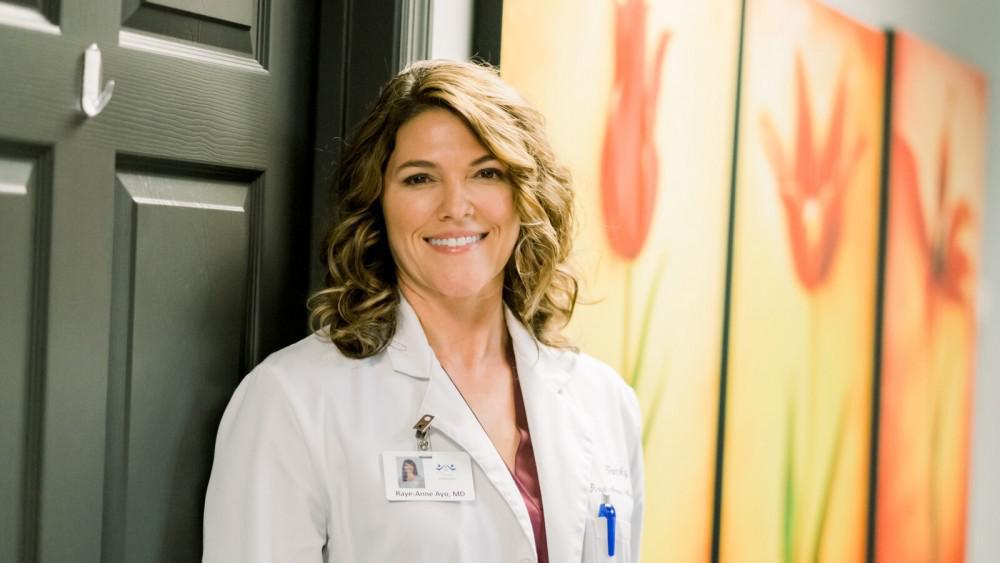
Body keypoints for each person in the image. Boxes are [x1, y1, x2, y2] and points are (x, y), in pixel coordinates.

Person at [203, 59, 644, 563]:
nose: (456, 206)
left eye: (486, 173)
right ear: (377, 203)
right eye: (419, 179)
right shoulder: (293, 400)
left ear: (525, 197)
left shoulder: (605, 401)